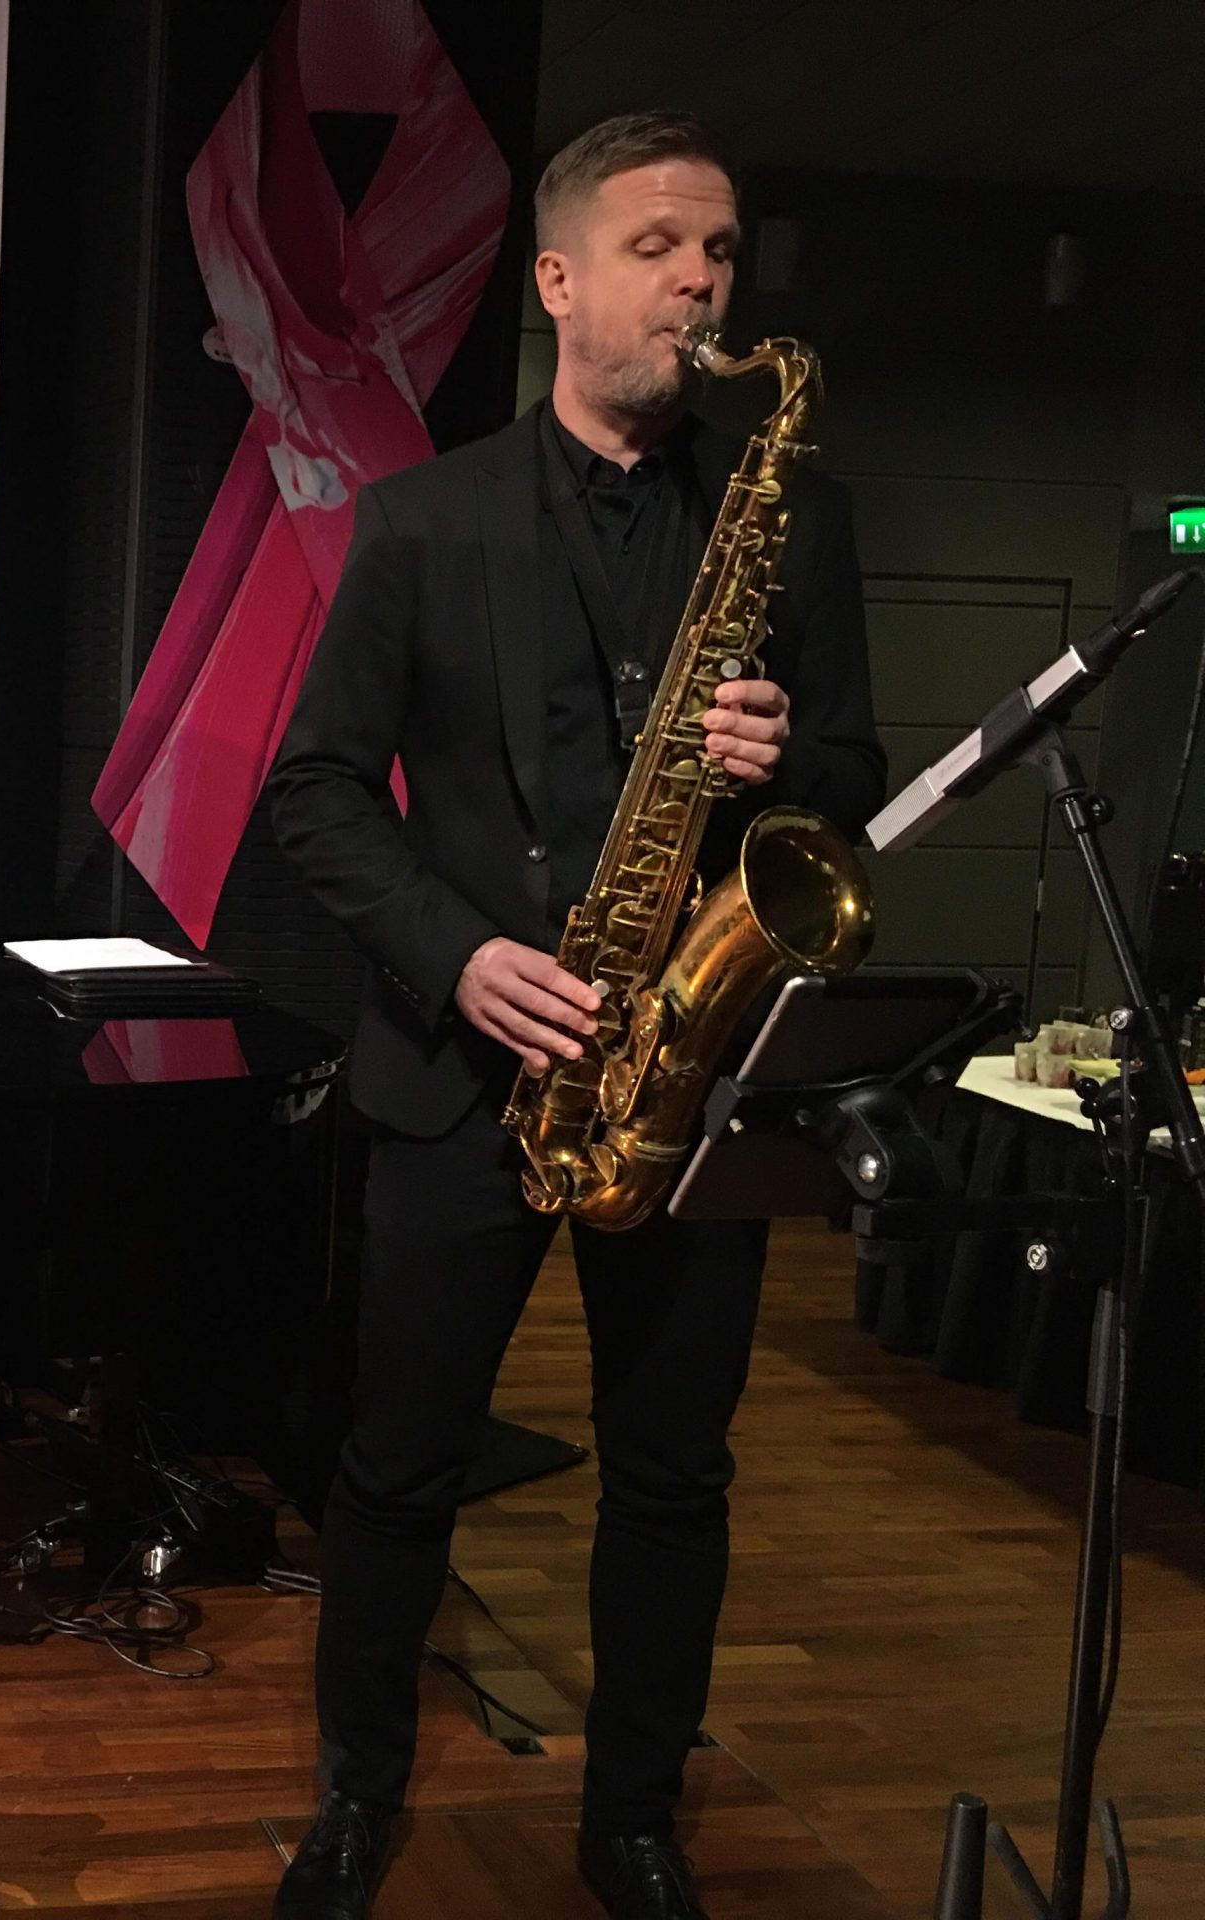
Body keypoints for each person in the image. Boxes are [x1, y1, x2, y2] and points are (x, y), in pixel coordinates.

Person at [264, 114, 884, 1920]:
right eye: (659, 246)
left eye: (722, 250)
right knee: (399, 1469)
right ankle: (358, 1800)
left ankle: (634, 1823)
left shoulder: (792, 516)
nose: (701, 282)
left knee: (675, 1479)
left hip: (687, 1077)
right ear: (557, 280)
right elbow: (315, 794)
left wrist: (790, 767)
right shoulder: (421, 517)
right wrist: (458, 955)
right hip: (469, 1069)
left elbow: (855, 785)